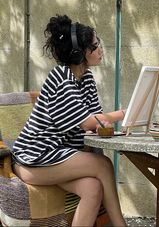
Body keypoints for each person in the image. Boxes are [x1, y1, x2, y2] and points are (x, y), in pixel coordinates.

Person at [12, 14, 127, 227]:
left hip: (58, 157)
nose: (100, 49)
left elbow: (96, 122)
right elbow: (87, 122)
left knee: (93, 189)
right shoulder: (61, 78)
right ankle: (120, 225)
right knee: (103, 165)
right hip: (34, 159)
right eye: (95, 45)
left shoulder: (87, 78)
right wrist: (123, 114)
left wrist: (106, 123)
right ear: (79, 52)